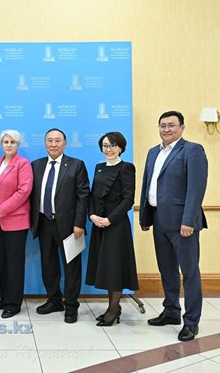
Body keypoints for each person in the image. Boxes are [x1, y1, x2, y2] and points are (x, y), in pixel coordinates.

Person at [139, 111, 208, 342]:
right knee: (167, 269)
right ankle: (171, 311)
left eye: (171, 125)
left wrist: (189, 220)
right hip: (159, 218)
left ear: (182, 127)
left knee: (189, 272)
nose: (166, 129)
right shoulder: (153, 152)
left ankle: (192, 322)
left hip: (182, 223)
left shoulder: (192, 150)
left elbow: (196, 189)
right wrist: (146, 217)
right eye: (162, 125)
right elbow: (147, 185)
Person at [30, 128, 90, 324]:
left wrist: (79, 223)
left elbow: (83, 196)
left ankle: (71, 306)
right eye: (50, 140)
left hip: (70, 226)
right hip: (43, 223)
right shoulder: (36, 165)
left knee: (71, 267)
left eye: (57, 140)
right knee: (48, 265)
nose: (53, 144)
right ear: (45, 143)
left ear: (65, 143)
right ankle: (54, 300)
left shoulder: (76, 165)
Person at [85, 132, 139, 326]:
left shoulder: (126, 168)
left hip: (115, 225)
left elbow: (128, 199)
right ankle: (112, 307)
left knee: (115, 267)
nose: (109, 149)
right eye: (105, 146)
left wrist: (109, 220)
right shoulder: (99, 167)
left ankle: (114, 309)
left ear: (121, 147)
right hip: (99, 224)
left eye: (113, 145)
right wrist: (92, 215)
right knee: (107, 268)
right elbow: (92, 195)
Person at [0, 130, 33, 319]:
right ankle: (5, 298)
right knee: (2, 261)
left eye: (13, 142)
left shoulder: (23, 164)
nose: (9, 145)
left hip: (16, 222)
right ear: (1, 144)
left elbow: (23, 191)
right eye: (6, 142)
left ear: (18, 145)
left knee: (14, 264)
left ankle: (13, 304)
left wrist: (1, 210)